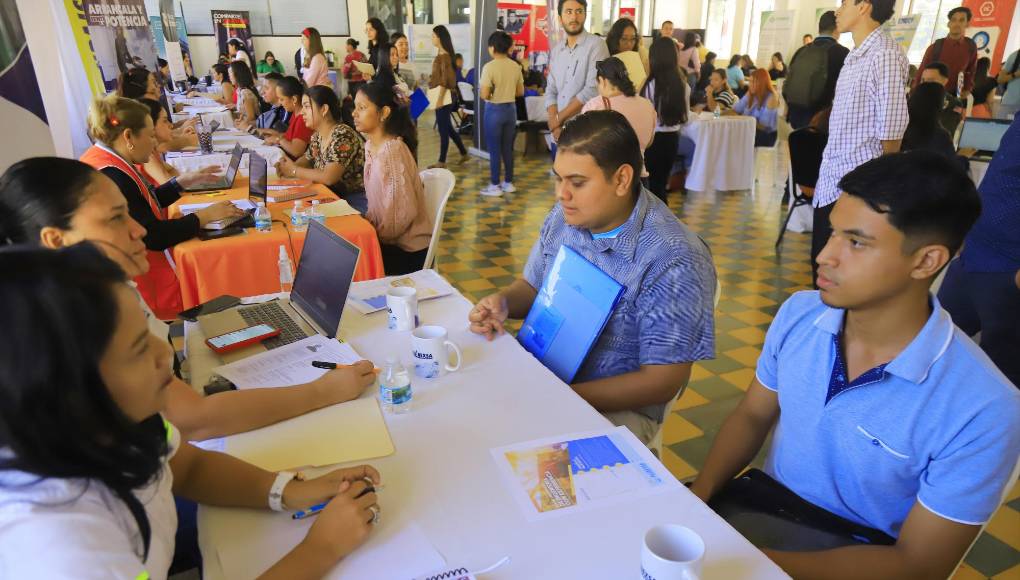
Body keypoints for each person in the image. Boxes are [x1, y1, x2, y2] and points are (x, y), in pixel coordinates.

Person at [689, 151, 1019, 579]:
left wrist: (743, 565)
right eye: (832, 233)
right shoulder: (800, 314)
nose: (825, 256)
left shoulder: (985, 408)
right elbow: (753, 414)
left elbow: (918, 565)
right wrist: (696, 499)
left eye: (856, 242)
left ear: (926, 261)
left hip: (862, 555)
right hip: (764, 511)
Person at [0, 244, 384, 578]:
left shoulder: (119, 421)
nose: (163, 354)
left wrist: (290, 491)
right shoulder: (62, 550)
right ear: (70, 391)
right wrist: (320, 550)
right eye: (139, 348)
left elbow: (188, 468)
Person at [0, 158, 382, 443]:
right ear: (56, 239)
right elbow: (195, 419)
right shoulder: (74, 332)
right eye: (116, 219)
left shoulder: (106, 288)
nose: (139, 230)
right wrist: (324, 391)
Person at [468, 110, 716, 445]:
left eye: (577, 182)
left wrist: (559, 395)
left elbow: (662, 381)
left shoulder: (674, 258)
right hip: (544, 373)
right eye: (558, 179)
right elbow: (532, 285)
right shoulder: (565, 216)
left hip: (614, 405)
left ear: (622, 179)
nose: (562, 194)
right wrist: (504, 302)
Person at [79, 95, 242, 319]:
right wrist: (203, 216)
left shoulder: (109, 161)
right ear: (128, 137)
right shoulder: (112, 175)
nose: (155, 144)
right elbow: (153, 235)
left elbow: (142, 202)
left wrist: (180, 184)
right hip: (140, 279)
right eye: (150, 136)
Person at [812, 0, 907, 288]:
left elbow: (892, 129)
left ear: (864, 6)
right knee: (822, 268)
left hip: (860, 185)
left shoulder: (885, 54)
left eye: (844, 3)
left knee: (843, 276)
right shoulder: (855, 55)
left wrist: (880, 189)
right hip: (832, 179)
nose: (838, 11)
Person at [939, 116, 1020, 387]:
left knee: (1001, 376)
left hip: (1009, 269)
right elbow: (1001, 176)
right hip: (973, 254)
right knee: (936, 345)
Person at [352, 82, 433, 275]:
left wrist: (372, 236)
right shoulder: (371, 146)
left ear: (384, 112)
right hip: (388, 242)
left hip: (407, 252)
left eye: (362, 108)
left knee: (347, 262)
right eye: (355, 107)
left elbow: (400, 216)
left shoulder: (391, 152)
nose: (354, 113)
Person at [276, 86, 367, 211]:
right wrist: (286, 167)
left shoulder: (343, 134)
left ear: (324, 109)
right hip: (331, 195)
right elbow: (306, 160)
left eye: (307, 106)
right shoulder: (318, 136)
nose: (302, 112)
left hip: (353, 199)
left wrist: (294, 170)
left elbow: (328, 177)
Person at [545, 0, 609, 144]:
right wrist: (555, 124)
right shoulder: (557, 51)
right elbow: (551, 90)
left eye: (579, 11)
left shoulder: (597, 45)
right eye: (568, 12)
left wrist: (558, 119)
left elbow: (592, 89)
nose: (574, 17)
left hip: (586, 134)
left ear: (585, 15)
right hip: (558, 134)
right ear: (560, 18)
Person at [783, 10, 850, 130]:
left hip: (796, 116)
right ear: (837, 29)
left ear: (819, 29)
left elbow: (788, 81)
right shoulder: (842, 53)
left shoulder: (801, 51)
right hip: (821, 120)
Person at [581, 57, 656, 160]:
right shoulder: (647, 105)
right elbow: (649, 142)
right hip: (638, 167)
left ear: (602, 81)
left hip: (608, 168)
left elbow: (585, 146)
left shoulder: (594, 106)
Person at [642, 37, 688, 203]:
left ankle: (657, 218)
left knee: (652, 186)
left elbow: (645, 114)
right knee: (661, 183)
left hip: (653, 139)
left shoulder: (651, 84)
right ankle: (663, 216)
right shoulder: (681, 84)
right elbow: (684, 115)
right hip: (672, 138)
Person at [479, 31, 525, 197]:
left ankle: (494, 185)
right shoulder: (516, 66)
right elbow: (520, 92)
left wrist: (493, 93)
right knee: (507, 148)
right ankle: (508, 183)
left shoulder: (489, 67)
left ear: (492, 48)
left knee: (494, 149)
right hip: (510, 111)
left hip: (494, 111)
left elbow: (484, 94)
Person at [429, 25, 468, 168]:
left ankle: (442, 161)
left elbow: (445, 81)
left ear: (440, 38)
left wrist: (440, 99)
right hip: (442, 95)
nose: (432, 38)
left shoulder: (444, 57)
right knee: (447, 127)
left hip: (444, 97)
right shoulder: (442, 55)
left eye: (434, 36)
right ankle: (464, 153)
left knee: (443, 129)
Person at [913, 6, 975, 97]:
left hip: (955, 97)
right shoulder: (935, 47)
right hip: (932, 95)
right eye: (953, 20)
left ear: (967, 24)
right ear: (948, 24)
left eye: (961, 20)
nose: (957, 23)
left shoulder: (970, 46)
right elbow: (921, 73)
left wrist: (967, 89)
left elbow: (971, 71)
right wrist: (914, 95)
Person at [900, 82, 956, 159]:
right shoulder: (941, 138)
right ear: (938, 106)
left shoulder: (900, 127)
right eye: (944, 104)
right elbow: (953, 164)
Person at [727, 69, 779, 147]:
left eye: (753, 82)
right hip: (750, 130)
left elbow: (764, 126)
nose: (750, 84)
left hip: (764, 136)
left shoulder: (771, 97)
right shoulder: (751, 93)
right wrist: (718, 114)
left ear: (762, 83)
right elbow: (736, 109)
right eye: (750, 81)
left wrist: (743, 119)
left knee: (732, 136)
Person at [264, 76, 313, 159]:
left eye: (281, 99)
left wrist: (278, 139)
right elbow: (291, 136)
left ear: (294, 99)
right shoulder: (295, 113)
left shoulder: (302, 119)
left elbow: (296, 151)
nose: (280, 102)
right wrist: (275, 135)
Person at [919, 62, 965, 136]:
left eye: (930, 81)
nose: (925, 85)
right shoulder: (914, 99)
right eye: (923, 80)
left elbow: (947, 131)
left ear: (944, 81)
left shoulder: (954, 104)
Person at [606, 17, 648, 89]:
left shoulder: (640, 55)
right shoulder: (605, 54)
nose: (629, 44)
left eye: (633, 39)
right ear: (615, 39)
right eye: (624, 39)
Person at [229, 61, 264, 129]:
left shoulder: (245, 92)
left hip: (253, 127)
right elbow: (245, 111)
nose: (229, 76)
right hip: (247, 125)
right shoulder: (240, 90)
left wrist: (241, 124)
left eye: (230, 73)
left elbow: (251, 117)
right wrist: (240, 118)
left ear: (237, 74)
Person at [998, 49, 1020, 119]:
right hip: (1010, 104)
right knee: (1002, 125)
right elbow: (1000, 79)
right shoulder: (1015, 56)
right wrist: (1016, 74)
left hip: (1010, 104)